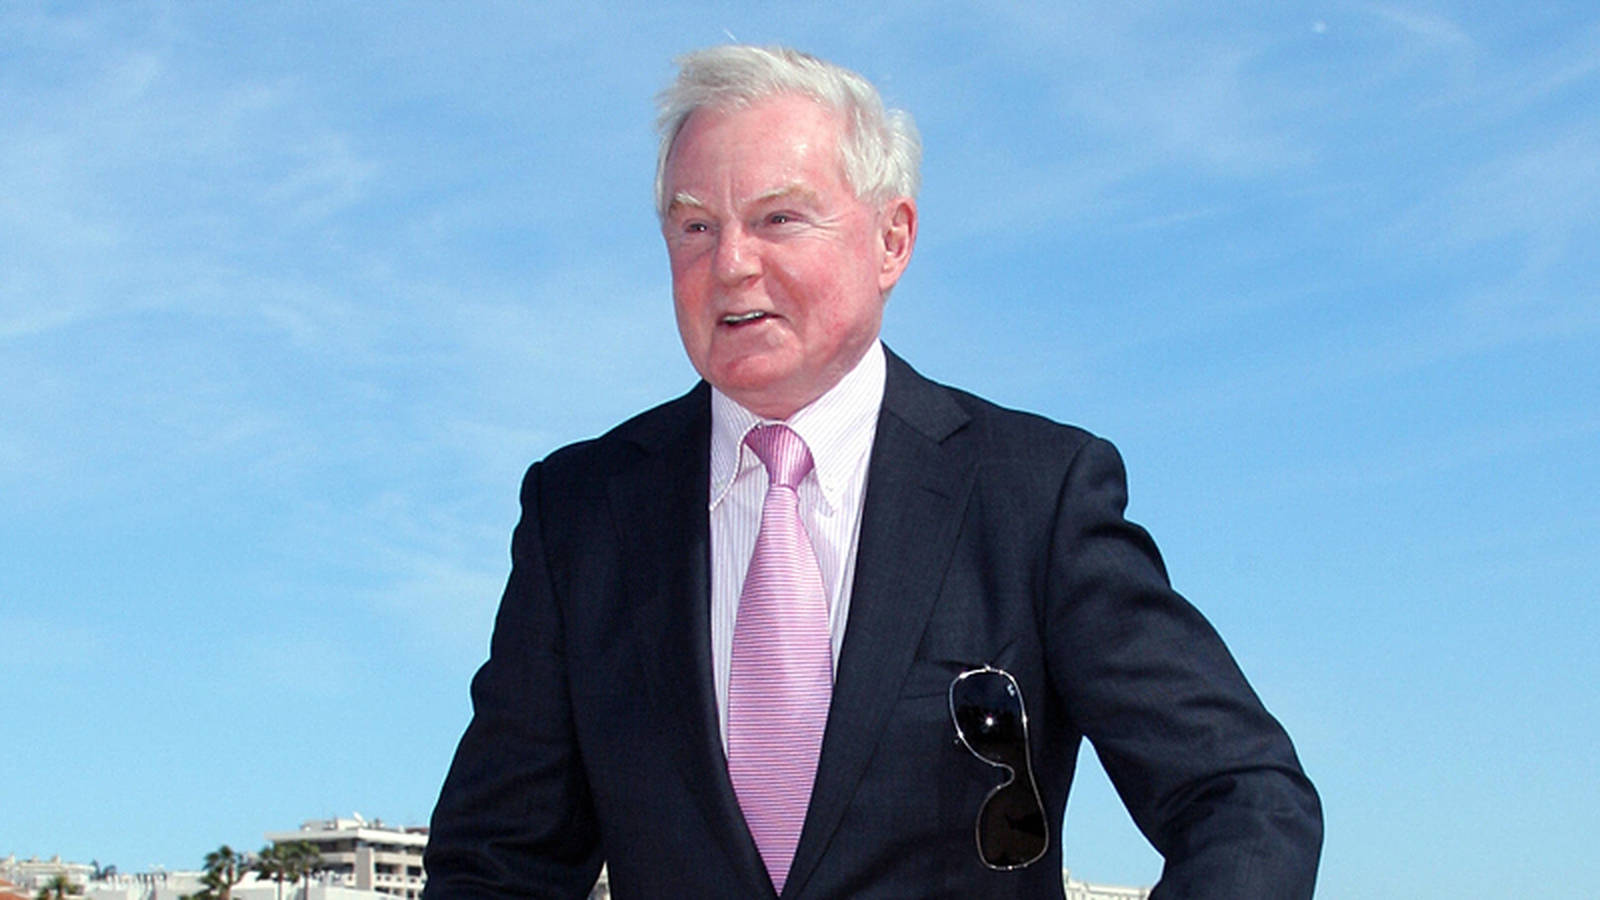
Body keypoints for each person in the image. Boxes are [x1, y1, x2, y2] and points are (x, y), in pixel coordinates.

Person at [421, 45, 1322, 900]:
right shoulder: (582, 513)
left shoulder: (1033, 494)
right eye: (695, 225)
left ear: (891, 239)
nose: (730, 262)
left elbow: (1246, 798)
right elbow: (498, 862)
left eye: (778, 217)